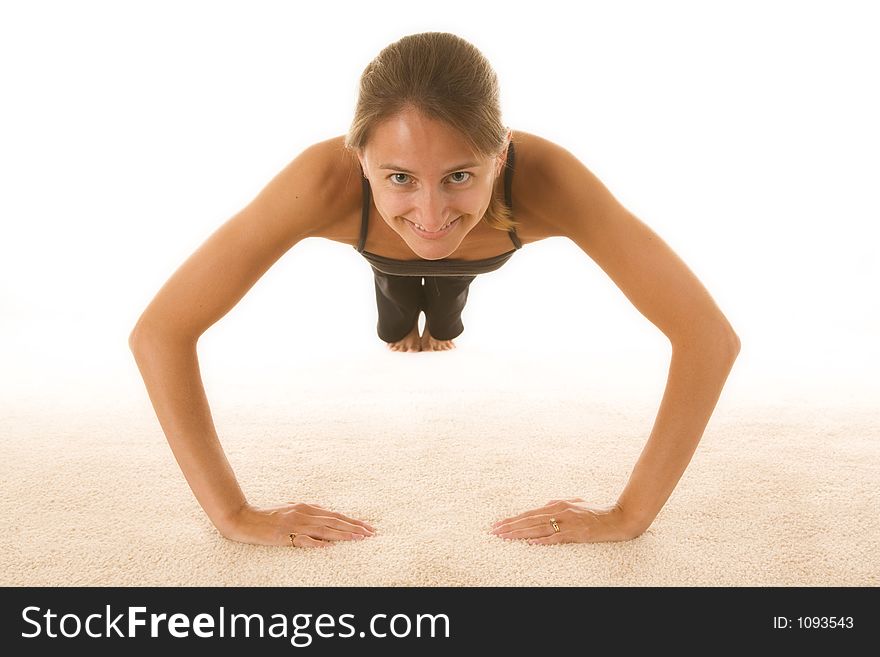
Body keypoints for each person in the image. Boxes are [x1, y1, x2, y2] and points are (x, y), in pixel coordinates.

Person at [129, 32, 740, 548]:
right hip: (379, 249)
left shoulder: (548, 179)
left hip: (483, 253)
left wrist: (630, 516)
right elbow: (160, 332)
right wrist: (233, 515)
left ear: (500, 156)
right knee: (396, 316)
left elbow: (708, 338)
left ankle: (441, 325)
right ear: (359, 158)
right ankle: (406, 318)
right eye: (399, 177)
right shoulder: (321, 182)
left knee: (445, 315)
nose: (429, 211)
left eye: (458, 175)